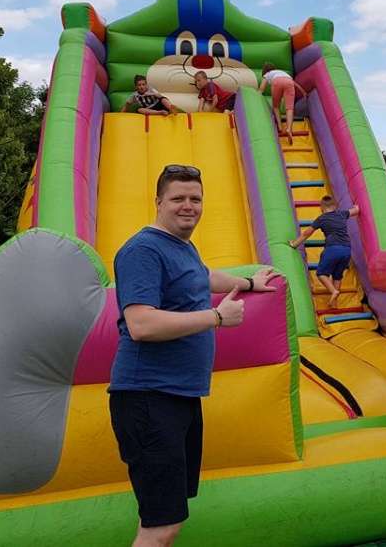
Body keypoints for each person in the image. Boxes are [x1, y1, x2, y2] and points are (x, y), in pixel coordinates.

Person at [108, 164, 279, 547]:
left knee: (167, 518)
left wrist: (250, 282)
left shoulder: (181, 246)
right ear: (158, 202)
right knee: (161, 526)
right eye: (178, 198)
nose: (188, 206)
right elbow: (141, 324)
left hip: (179, 396)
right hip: (149, 398)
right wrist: (217, 317)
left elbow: (204, 276)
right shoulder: (142, 250)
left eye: (195, 198)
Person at [288, 196, 359, 309]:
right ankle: (334, 303)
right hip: (346, 250)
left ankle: (333, 291)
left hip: (332, 249)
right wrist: (356, 207)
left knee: (321, 274)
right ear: (336, 207)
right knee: (337, 276)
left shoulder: (321, 218)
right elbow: (355, 210)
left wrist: (295, 244)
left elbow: (306, 233)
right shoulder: (342, 213)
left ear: (321, 208)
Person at [257, 62, 307, 145]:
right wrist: (303, 92)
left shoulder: (267, 75)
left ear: (264, 71)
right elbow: (294, 83)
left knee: (276, 107)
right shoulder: (281, 72)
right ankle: (289, 129)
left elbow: (261, 89)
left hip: (277, 82)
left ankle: (280, 127)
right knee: (289, 109)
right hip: (289, 82)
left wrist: (255, 95)